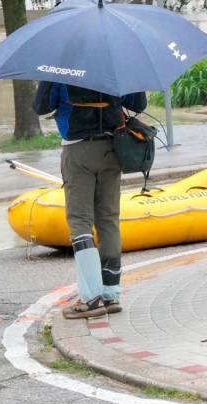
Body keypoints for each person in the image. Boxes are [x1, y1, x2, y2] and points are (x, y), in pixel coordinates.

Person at [33, 83, 147, 319]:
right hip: (113, 149)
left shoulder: (62, 69)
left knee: (80, 223)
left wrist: (46, 79)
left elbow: (40, 107)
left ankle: (91, 298)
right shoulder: (116, 64)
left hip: (77, 151)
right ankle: (111, 294)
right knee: (108, 220)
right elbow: (138, 104)